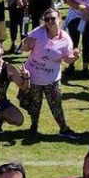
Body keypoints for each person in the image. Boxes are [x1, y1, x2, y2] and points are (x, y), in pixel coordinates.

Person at [20, 8, 79, 138]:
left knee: (56, 105)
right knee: (34, 105)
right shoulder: (38, 33)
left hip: (52, 78)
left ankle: (63, 129)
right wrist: (26, 44)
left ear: (59, 19)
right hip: (34, 76)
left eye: (53, 18)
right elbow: (24, 48)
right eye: (47, 19)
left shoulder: (66, 39)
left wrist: (74, 58)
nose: (50, 21)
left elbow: (67, 59)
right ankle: (33, 127)